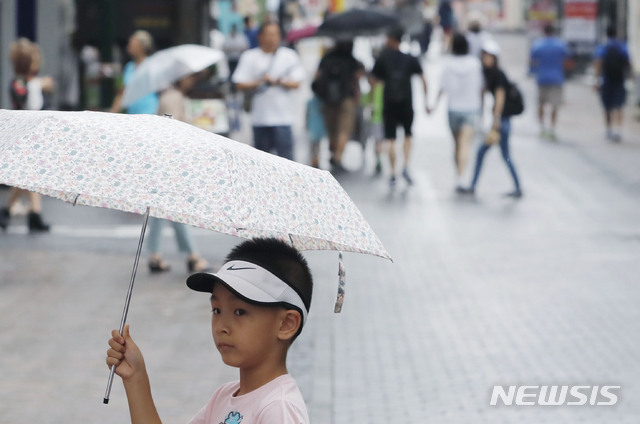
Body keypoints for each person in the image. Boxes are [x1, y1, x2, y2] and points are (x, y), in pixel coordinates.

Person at [106, 237, 313, 423]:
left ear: (286, 324)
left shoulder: (279, 409)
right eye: (217, 310)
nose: (221, 326)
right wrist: (136, 378)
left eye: (240, 312)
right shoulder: (223, 397)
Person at [146, 74, 209, 273]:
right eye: (190, 77)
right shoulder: (174, 98)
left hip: (164, 159)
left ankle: (159, 254)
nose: (192, 81)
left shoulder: (170, 96)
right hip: (171, 160)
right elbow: (172, 128)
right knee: (172, 208)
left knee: (163, 209)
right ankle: (191, 255)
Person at [232, 21, 305, 160]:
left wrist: (280, 81)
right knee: (261, 161)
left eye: (275, 34)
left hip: (283, 119)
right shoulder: (250, 57)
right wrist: (260, 81)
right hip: (259, 119)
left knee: (287, 162)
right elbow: (239, 84)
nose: (272, 38)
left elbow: (297, 83)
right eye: (269, 34)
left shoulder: (289, 56)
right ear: (260, 36)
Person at [1, 39, 53, 232]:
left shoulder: (28, 82)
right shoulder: (19, 83)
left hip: (34, 133)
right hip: (25, 134)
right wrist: (38, 85)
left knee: (30, 176)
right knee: (30, 175)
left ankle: (30, 213)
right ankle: (31, 214)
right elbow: (31, 105)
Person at [462, 39, 522, 198]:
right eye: (484, 56)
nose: (485, 60)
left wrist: (496, 119)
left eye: (489, 57)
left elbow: (500, 97)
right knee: (500, 155)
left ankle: (474, 185)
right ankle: (517, 186)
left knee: (492, 154)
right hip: (501, 121)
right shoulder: (488, 74)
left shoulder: (497, 74)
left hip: (502, 122)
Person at [370, 27, 427, 188]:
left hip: (389, 103)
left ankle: (393, 173)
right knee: (408, 135)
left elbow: (373, 81)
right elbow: (423, 78)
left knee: (391, 139)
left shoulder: (382, 58)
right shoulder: (409, 58)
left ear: (391, 39)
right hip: (406, 102)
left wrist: (372, 102)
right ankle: (406, 166)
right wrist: (426, 100)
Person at [428, 33, 483, 192]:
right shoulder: (475, 64)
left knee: (457, 144)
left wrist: (434, 106)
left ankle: (458, 175)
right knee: (465, 144)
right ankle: (460, 176)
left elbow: (442, 89)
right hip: (471, 109)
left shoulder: (449, 65)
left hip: (453, 110)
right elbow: (481, 87)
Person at [312, 41, 365, 171]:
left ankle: (333, 153)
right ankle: (338, 157)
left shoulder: (327, 58)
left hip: (328, 98)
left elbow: (317, 77)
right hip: (346, 98)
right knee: (344, 129)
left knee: (332, 129)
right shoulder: (352, 60)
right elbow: (357, 79)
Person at [530, 23, 569, 141]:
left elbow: (532, 62)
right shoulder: (560, 45)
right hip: (557, 78)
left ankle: (542, 128)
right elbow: (567, 60)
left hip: (542, 78)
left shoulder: (537, 45)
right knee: (555, 105)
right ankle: (552, 129)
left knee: (541, 103)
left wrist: (533, 72)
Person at [593, 26, 632, 142]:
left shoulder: (603, 48)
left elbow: (598, 64)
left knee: (607, 106)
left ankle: (609, 129)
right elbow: (629, 63)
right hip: (619, 80)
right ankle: (618, 130)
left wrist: (596, 80)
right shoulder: (622, 47)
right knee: (619, 106)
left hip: (607, 81)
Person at [109, 30, 159, 115]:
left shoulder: (152, 65)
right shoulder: (129, 67)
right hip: (133, 114)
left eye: (131, 44)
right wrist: (112, 112)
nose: (128, 47)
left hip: (150, 112)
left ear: (140, 46)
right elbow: (123, 92)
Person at [305, 94, 327, 168]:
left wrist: (306, 125)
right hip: (319, 125)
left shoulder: (310, 102)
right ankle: (315, 160)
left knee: (313, 145)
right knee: (317, 145)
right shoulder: (322, 102)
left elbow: (306, 115)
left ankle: (314, 160)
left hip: (312, 125)